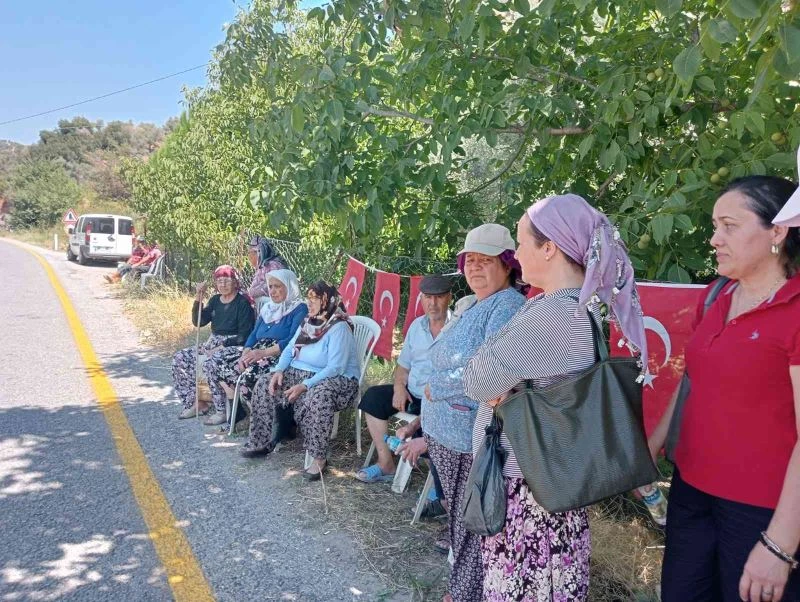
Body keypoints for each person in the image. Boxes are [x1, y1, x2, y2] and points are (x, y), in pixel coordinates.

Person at [462, 194, 648, 601]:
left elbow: (476, 380)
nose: (516, 252)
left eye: (521, 242)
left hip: (530, 501)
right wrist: (504, 381)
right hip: (546, 491)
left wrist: (502, 383)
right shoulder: (573, 308)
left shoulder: (554, 316)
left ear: (550, 248)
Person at [648, 175, 800, 602]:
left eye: (730, 226)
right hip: (691, 494)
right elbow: (692, 381)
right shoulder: (716, 296)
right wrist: (653, 445)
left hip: (763, 512)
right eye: (715, 226)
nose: (715, 238)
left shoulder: (796, 311)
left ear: (778, 230)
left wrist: (780, 546)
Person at [422, 223, 527, 602]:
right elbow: (441, 355)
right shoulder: (473, 305)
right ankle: (464, 586)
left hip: (469, 436)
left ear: (508, 264)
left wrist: (441, 386)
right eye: (470, 260)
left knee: (472, 521)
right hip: (444, 431)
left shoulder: (508, 307)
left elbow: (492, 368)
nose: (475, 268)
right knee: (457, 516)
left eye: (486, 260)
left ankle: (464, 594)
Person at [241, 281, 361, 481]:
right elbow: (289, 348)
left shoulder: (339, 327)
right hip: (301, 373)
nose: (310, 303)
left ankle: (319, 457)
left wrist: (306, 385)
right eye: (309, 298)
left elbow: (336, 367)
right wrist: (279, 370)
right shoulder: (309, 321)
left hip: (336, 380)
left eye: (315, 299)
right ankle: (260, 442)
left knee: (318, 395)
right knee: (264, 382)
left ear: (327, 301)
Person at [355, 274, 453, 483]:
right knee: (372, 398)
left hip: (439, 400)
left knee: (443, 423)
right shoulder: (417, 326)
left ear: (449, 298)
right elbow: (403, 366)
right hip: (412, 393)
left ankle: (440, 484)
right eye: (427, 297)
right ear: (422, 299)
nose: (433, 303)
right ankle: (386, 464)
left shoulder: (458, 328)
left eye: (439, 297)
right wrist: (399, 386)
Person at [202, 269, 308, 431]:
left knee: (248, 375)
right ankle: (240, 414)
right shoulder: (268, 308)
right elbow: (253, 335)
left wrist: (262, 353)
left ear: (289, 286)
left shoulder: (299, 309)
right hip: (256, 350)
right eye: (270, 286)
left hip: (278, 354)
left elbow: (291, 341)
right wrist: (246, 352)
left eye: (278, 286)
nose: (272, 291)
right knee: (215, 364)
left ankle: (268, 421)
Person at [173, 265, 255, 423]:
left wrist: (221, 346)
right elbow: (199, 321)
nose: (223, 284)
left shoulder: (242, 303)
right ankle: (197, 402)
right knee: (181, 358)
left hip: (233, 345)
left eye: (227, 280)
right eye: (219, 280)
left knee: (211, 362)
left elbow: (244, 335)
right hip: (213, 341)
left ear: (235, 282)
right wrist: (199, 296)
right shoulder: (215, 300)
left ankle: (221, 410)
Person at [246, 235, 288, 303]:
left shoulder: (272, 265)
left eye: (251, 253)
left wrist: (252, 292)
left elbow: (271, 287)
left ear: (260, 253)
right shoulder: (262, 267)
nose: (249, 257)